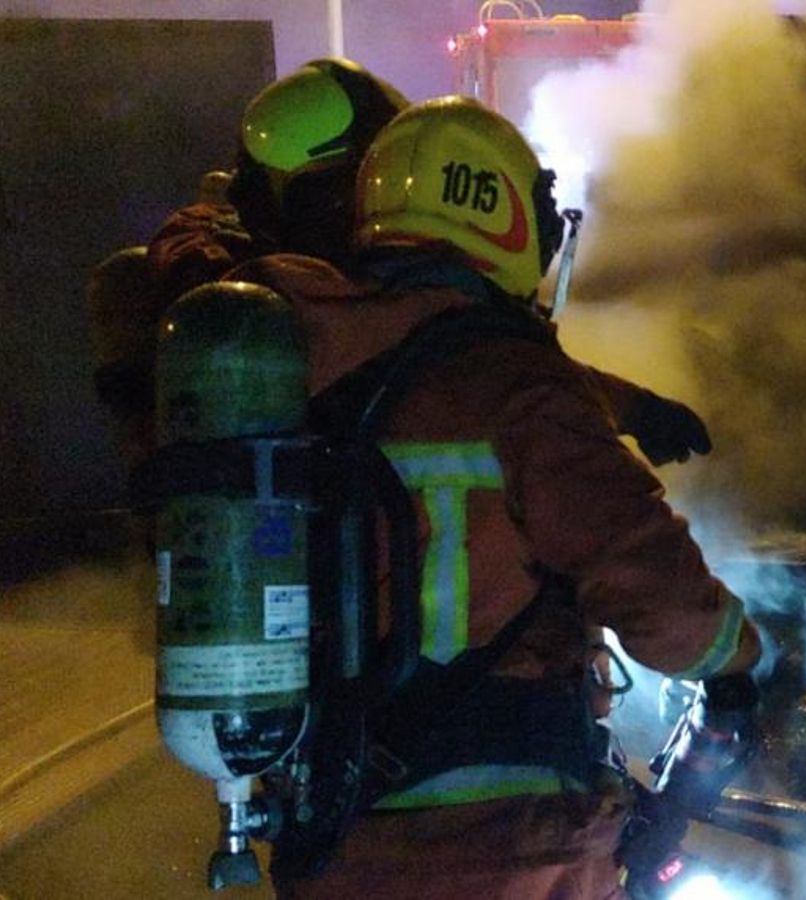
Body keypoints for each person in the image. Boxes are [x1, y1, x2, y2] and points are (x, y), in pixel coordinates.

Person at [222, 96, 760, 898]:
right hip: (507, 845)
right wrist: (737, 657)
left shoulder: (298, 361)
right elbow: (649, 581)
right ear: (498, 211)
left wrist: (631, 407)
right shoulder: (516, 380)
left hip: (336, 832)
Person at [94, 59, 709, 473]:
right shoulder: (322, 299)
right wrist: (633, 408)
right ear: (335, 193)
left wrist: (632, 406)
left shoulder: (234, 284)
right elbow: (488, 366)